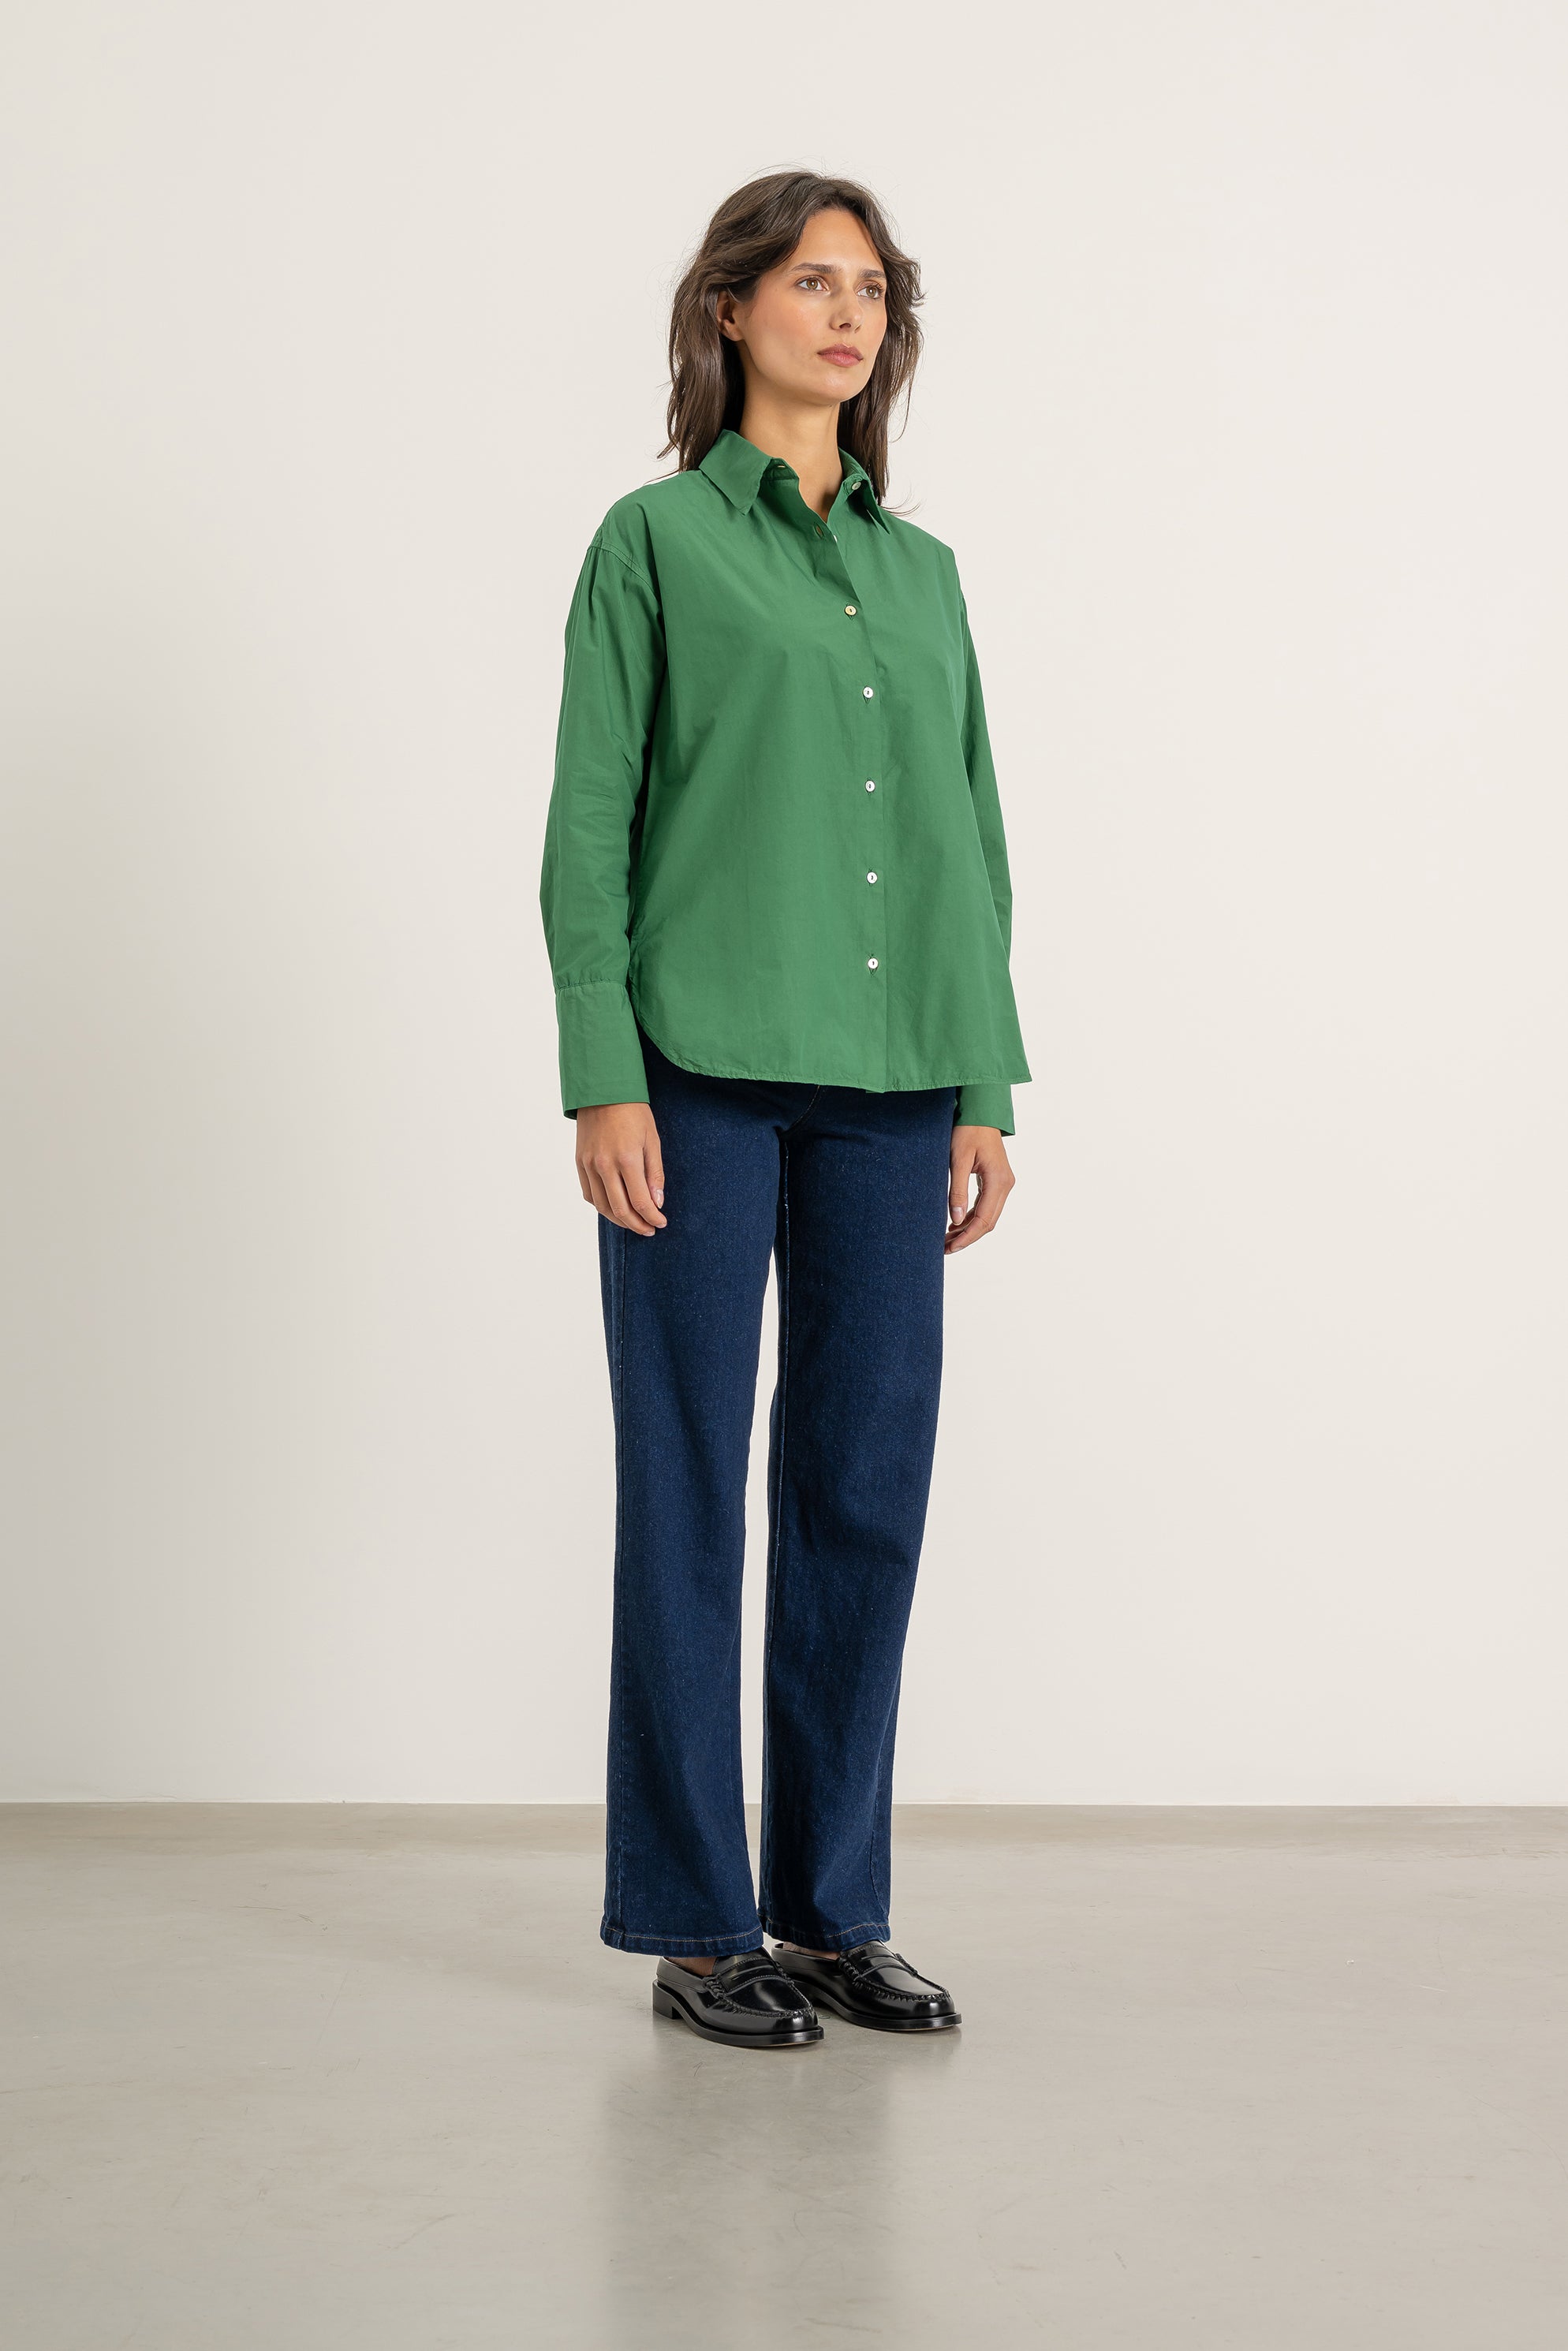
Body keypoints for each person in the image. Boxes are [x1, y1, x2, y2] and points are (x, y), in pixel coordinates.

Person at [539, 171, 1030, 2051]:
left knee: (862, 1489)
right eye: (813, 281)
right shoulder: (654, 541)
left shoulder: (924, 573)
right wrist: (602, 1069)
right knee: (689, 1486)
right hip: (697, 1074)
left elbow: (966, 836)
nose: (847, 314)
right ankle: (692, 1920)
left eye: (873, 290)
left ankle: (831, 1911)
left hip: (896, 1092)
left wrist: (981, 1080)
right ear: (731, 308)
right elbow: (591, 818)